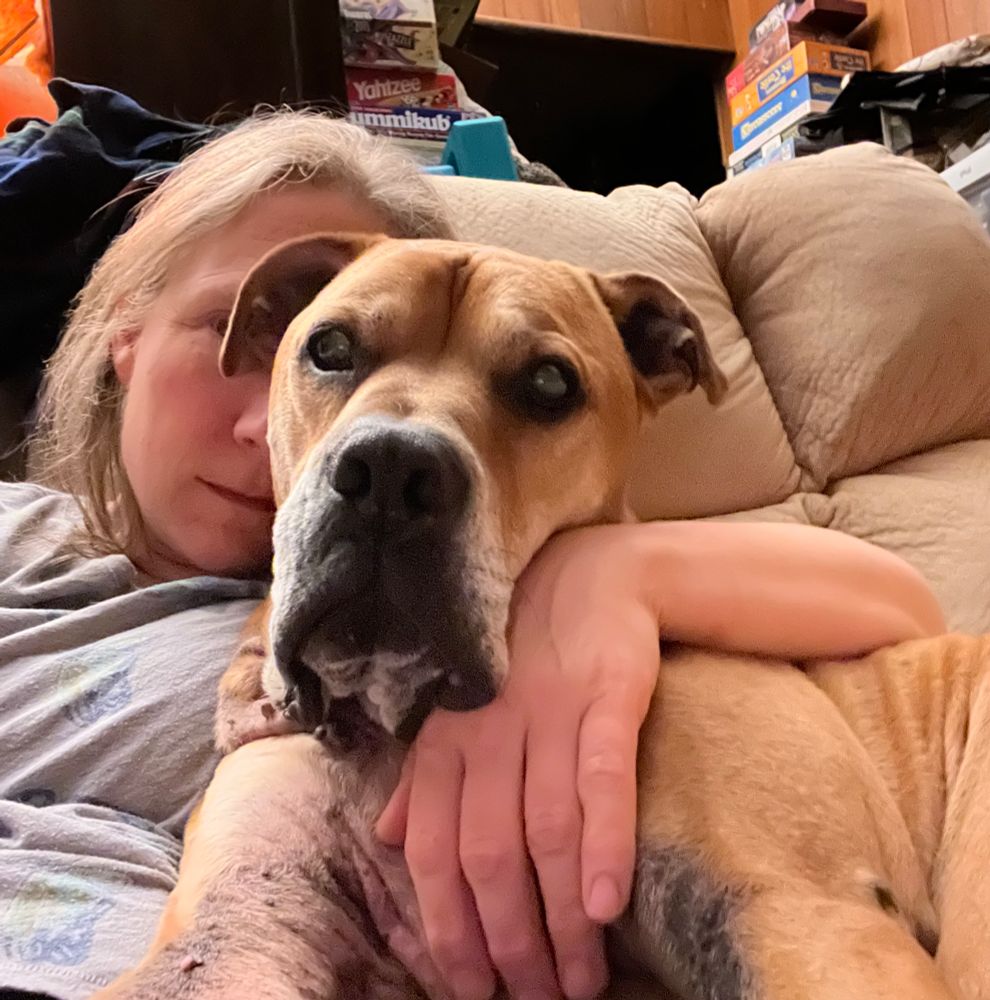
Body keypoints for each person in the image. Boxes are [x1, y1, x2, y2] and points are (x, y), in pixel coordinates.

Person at [0, 111, 945, 1000]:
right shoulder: (22, 536)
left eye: (540, 387)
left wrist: (612, 576)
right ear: (124, 332)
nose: (264, 423)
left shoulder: (512, 609)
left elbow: (897, 606)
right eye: (325, 351)